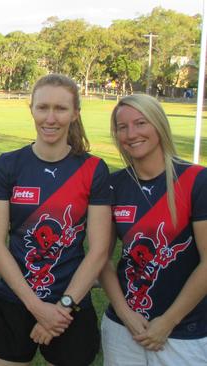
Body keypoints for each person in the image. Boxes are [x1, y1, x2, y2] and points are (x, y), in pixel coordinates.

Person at [0, 74, 112, 366]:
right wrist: (36, 307)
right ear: (31, 109)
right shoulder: (8, 164)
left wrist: (63, 307)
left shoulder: (93, 169)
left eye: (61, 108)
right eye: (42, 108)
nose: (50, 118)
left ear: (75, 113)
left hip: (71, 305)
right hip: (15, 302)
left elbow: (99, 250)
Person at [99, 94, 207, 365]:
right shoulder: (113, 185)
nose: (131, 133)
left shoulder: (197, 180)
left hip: (184, 331)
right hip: (123, 329)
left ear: (158, 125)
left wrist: (168, 322)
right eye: (122, 127)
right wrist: (125, 314)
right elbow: (100, 258)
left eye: (140, 123)